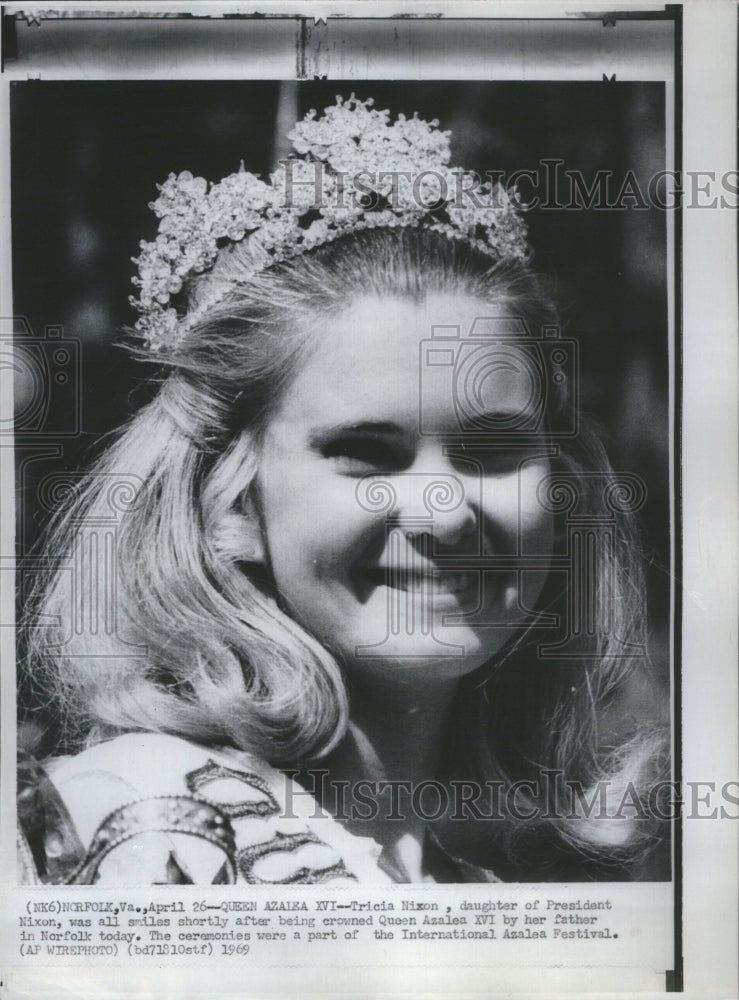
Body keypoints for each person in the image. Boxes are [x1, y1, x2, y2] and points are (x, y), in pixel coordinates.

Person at [18, 96, 667, 885]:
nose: (445, 510)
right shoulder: (148, 819)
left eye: (493, 449)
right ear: (228, 505)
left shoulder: (483, 886)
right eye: (365, 452)